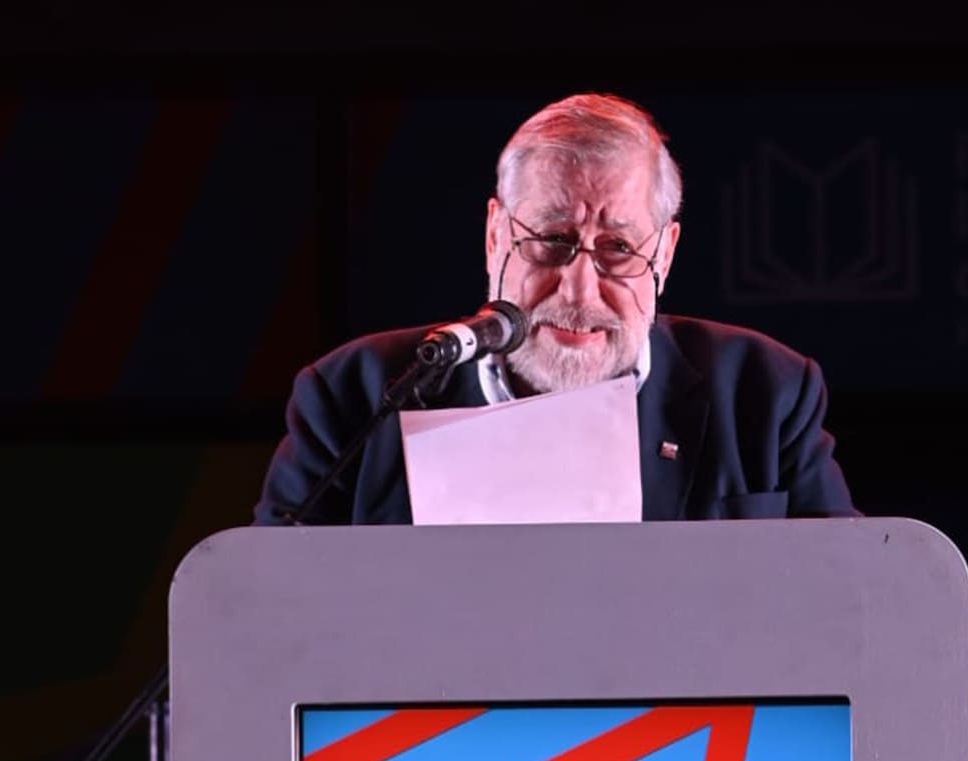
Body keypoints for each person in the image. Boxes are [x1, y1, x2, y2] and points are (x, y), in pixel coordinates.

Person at [252, 92, 857, 525]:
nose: (578, 290)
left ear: (666, 255)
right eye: (549, 240)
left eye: (618, 249)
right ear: (495, 236)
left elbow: (851, 610)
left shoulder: (764, 391)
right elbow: (260, 620)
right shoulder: (355, 396)